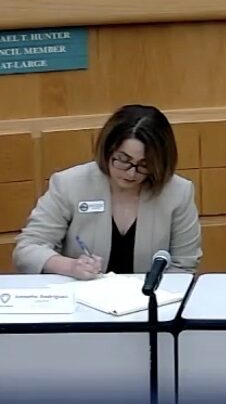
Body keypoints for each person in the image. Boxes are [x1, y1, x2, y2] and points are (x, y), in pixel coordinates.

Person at [13, 105, 202, 277]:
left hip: (149, 303)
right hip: (81, 301)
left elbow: (183, 265)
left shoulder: (178, 192)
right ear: (107, 150)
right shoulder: (70, 184)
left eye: (144, 165)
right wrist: (70, 267)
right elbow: (28, 248)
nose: (131, 172)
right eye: (122, 159)